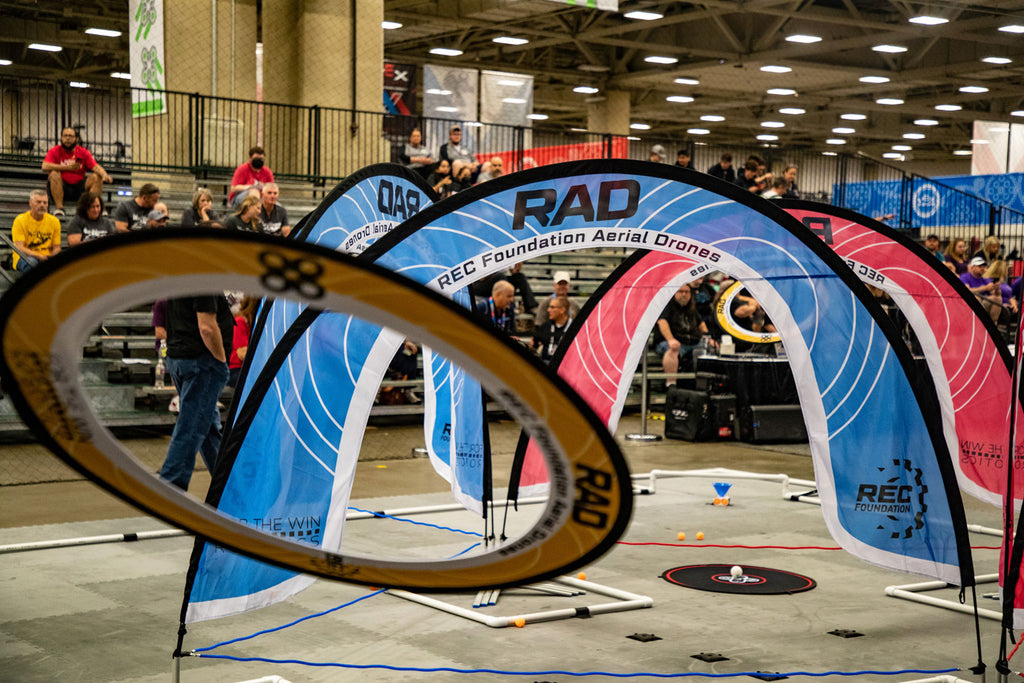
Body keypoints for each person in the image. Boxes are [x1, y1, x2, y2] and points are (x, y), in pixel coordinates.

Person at [159, 287, 233, 491]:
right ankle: (170, 486)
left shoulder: (183, 271)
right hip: (201, 361)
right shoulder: (206, 275)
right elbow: (207, 327)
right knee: (191, 426)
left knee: (206, 427)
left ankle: (229, 484)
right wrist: (220, 361)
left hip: (181, 357)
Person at [41, 127, 112, 217]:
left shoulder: (83, 152)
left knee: (96, 177)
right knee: (54, 174)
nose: (67, 138)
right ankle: (59, 209)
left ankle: (93, 209)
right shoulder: (54, 150)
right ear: (61, 138)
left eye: (70, 136)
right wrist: (67, 168)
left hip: (79, 189)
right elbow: (44, 166)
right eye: (65, 136)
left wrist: (105, 175)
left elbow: (96, 167)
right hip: (61, 187)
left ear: (76, 139)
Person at [655, 285, 711, 386]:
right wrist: (671, 339)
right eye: (680, 292)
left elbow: (701, 324)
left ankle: (705, 384)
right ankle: (671, 383)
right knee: (673, 348)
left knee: (711, 348)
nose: (684, 294)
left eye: (686, 292)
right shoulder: (666, 306)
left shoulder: (692, 308)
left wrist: (709, 339)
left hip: (693, 342)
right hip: (671, 342)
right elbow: (662, 322)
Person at [11, 189, 61, 271]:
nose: (42, 205)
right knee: (32, 263)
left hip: (46, 257)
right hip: (25, 256)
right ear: (30, 203)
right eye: (38, 202)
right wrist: (38, 256)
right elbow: (19, 247)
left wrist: (52, 258)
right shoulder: (20, 220)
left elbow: (57, 247)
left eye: (45, 203)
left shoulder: (54, 221)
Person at [960, 256, 1002, 322]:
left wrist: (997, 288)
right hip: (968, 304)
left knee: (998, 298)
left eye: (984, 266)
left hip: (984, 302)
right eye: (980, 266)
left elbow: (995, 294)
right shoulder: (965, 277)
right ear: (973, 267)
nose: (983, 268)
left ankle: (993, 324)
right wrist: (985, 288)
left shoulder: (985, 278)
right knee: (976, 298)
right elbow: (966, 291)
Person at [533, 296, 573, 362]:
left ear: (562, 310)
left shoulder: (573, 328)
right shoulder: (545, 326)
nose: (548, 310)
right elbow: (534, 344)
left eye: (552, 307)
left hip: (566, 364)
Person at [228, 296, 258, 388]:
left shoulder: (248, 323)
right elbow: (242, 353)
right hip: (235, 370)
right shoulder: (240, 322)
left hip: (242, 369)